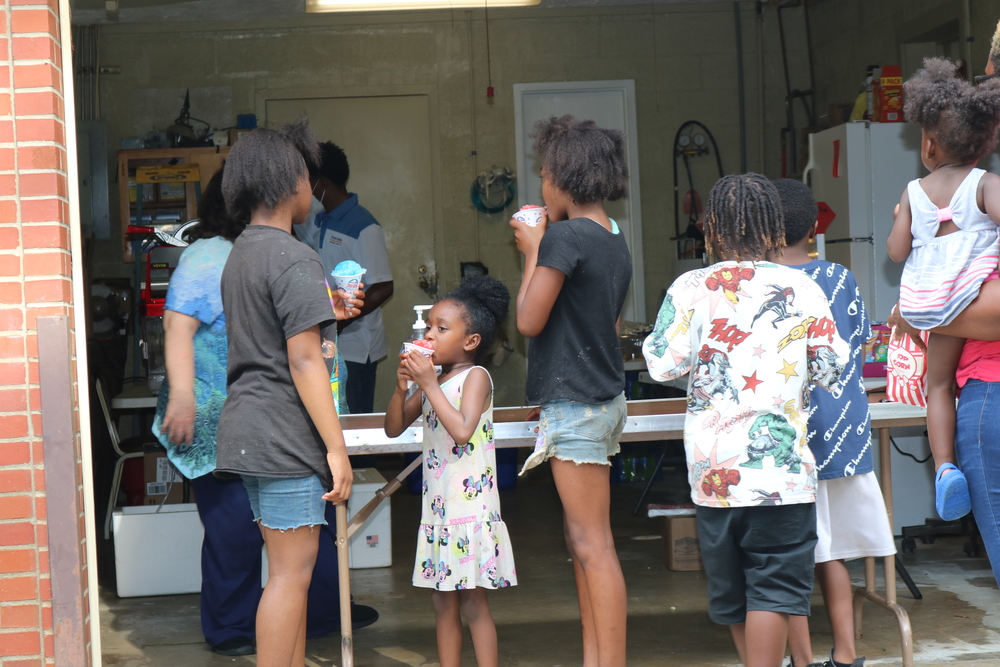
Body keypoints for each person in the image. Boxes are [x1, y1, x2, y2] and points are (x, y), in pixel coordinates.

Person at [152, 165, 375, 657]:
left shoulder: (256, 253)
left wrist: (328, 309)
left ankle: (313, 616)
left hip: (266, 419)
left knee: (290, 554)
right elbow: (177, 325)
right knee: (245, 542)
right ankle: (232, 628)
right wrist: (184, 397)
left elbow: (284, 327)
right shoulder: (215, 254)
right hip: (226, 418)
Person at [643, 173, 850, 667]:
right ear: (776, 227)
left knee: (733, 592)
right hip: (781, 474)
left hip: (715, 473)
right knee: (774, 590)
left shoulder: (690, 286)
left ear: (710, 228)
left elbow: (661, 364)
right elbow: (830, 368)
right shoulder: (801, 286)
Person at [214, 125, 354, 667]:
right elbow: (302, 359)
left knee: (284, 574)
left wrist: (325, 314)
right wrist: (336, 449)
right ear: (284, 182)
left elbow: (277, 334)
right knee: (290, 579)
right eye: (305, 174)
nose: (310, 186)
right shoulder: (295, 256)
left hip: (249, 429)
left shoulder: (242, 252)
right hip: (282, 434)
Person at [510, 115, 631, 667]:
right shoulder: (613, 236)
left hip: (577, 404)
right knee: (582, 544)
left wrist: (534, 248)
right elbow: (604, 323)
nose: (541, 186)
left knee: (592, 546)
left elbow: (529, 320)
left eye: (542, 175)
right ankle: (593, 656)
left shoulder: (562, 237)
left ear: (562, 177)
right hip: (603, 400)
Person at [769, 179, 896, 667]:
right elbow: (858, 345)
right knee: (834, 549)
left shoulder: (763, 283)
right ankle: (846, 654)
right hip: (841, 424)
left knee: (789, 554)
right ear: (816, 228)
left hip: (788, 431)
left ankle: (801, 660)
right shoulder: (840, 277)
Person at [886, 57, 1000, 522]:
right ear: (982, 144)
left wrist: (904, 223)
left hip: (928, 300)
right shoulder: (985, 183)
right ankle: (949, 465)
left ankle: (945, 465)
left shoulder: (914, 191)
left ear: (929, 144)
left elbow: (895, 253)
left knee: (938, 383)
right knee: (947, 381)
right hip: (970, 293)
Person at [384, 275, 516, 667]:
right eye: (428, 327)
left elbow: (461, 430)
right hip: (440, 512)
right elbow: (393, 428)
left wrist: (429, 384)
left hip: (471, 512)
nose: (430, 335)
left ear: (470, 341)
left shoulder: (476, 378)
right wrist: (403, 388)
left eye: (442, 328)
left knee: (474, 602)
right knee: (442, 602)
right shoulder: (435, 382)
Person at [294, 141, 394, 415]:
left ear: (321, 182)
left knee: (356, 425)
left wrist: (340, 323)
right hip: (330, 342)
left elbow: (384, 286)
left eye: (308, 180)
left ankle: (364, 462)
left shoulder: (363, 225)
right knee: (334, 419)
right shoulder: (320, 220)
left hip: (356, 347)